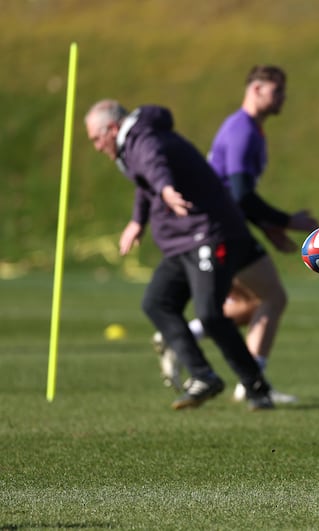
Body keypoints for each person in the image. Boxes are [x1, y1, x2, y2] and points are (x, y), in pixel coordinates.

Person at [85, 99, 274, 411]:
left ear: (113, 128)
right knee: (157, 303)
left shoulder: (142, 140)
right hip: (182, 241)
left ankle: (257, 388)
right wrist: (137, 220)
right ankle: (203, 376)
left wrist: (166, 189)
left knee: (211, 314)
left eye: (96, 138)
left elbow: (154, 165)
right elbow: (143, 181)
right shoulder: (131, 145)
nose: (96, 146)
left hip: (207, 233)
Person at [154, 65, 318, 404]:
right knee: (272, 298)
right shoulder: (242, 130)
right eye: (278, 91)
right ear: (256, 89)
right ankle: (251, 381)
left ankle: (185, 337)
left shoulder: (248, 129)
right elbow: (240, 194)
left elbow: (236, 192)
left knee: (249, 304)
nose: (283, 98)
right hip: (221, 230)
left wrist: (272, 229)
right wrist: (286, 221)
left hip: (224, 226)